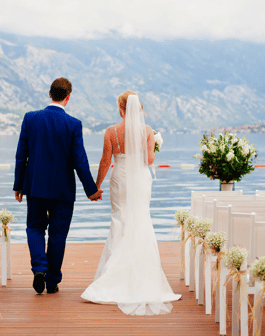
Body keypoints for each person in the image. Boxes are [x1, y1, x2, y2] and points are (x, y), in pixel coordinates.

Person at [80, 91, 180, 315]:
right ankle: (141, 274)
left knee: (119, 219)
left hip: (120, 177)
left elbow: (105, 161)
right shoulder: (147, 131)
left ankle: (113, 274)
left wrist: (96, 186)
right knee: (141, 219)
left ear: (120, 108)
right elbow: (150, 160)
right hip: (140, 178)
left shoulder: (111, 131)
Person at [14, 77, 103, 295]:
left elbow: (21, 155)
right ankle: (52, 281)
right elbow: (79, 161)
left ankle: (39, 269)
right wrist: (91, 190)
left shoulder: (30, 119)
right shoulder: (73, 124)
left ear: (49, 93)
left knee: (34, 228)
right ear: (68, 97)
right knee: (58, 235)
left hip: (35, 186)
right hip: (63, 190)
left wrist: (18, 184)